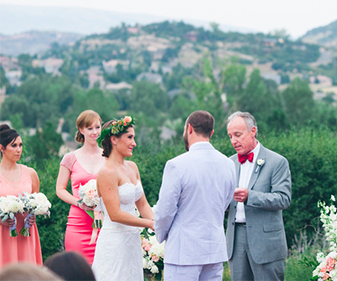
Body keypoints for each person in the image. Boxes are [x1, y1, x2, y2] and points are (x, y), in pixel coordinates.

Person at [154, 111, 236, 281]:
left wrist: (161, 236)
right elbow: (226, 202)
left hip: (183, 252)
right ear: (211, 133)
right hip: (214, 251)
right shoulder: (228, 164)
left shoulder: (176, 165)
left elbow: (165, 211)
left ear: (189, 128)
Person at [225, 111, 292, 281]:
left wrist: (250, 196)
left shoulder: (277, 161)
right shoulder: (228, 163)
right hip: (235, 238)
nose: (233, 141)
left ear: (253, 131)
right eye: (230, 136)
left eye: (238, 135)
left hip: (266, 241)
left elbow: (283, 198)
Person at [91, 116, 154, 281]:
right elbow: (115, 214)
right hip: (114, 242)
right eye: (130, 137)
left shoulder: (133, 167)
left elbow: (143, 205)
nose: (134, 143)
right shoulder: (107, 172)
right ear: (114, 139)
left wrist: (158, 223)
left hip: (132, 242)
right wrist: (148, 224)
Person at [56, 110, 106, 264]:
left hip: (104, 223)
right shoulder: (70, 158)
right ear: (81, 130)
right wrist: (79, 202)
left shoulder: (109, 156)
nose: (95, 132)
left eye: (97, 127)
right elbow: (60, 190)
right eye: (90, 128)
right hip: (77, 225)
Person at [0, 124, 42, 268]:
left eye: (20, 145)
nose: (19, 149)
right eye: (14, 145)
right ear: (1, 148)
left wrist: (33, 216)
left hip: (26, 234)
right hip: (3, 235)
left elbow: (36, 202)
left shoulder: (30, 173)